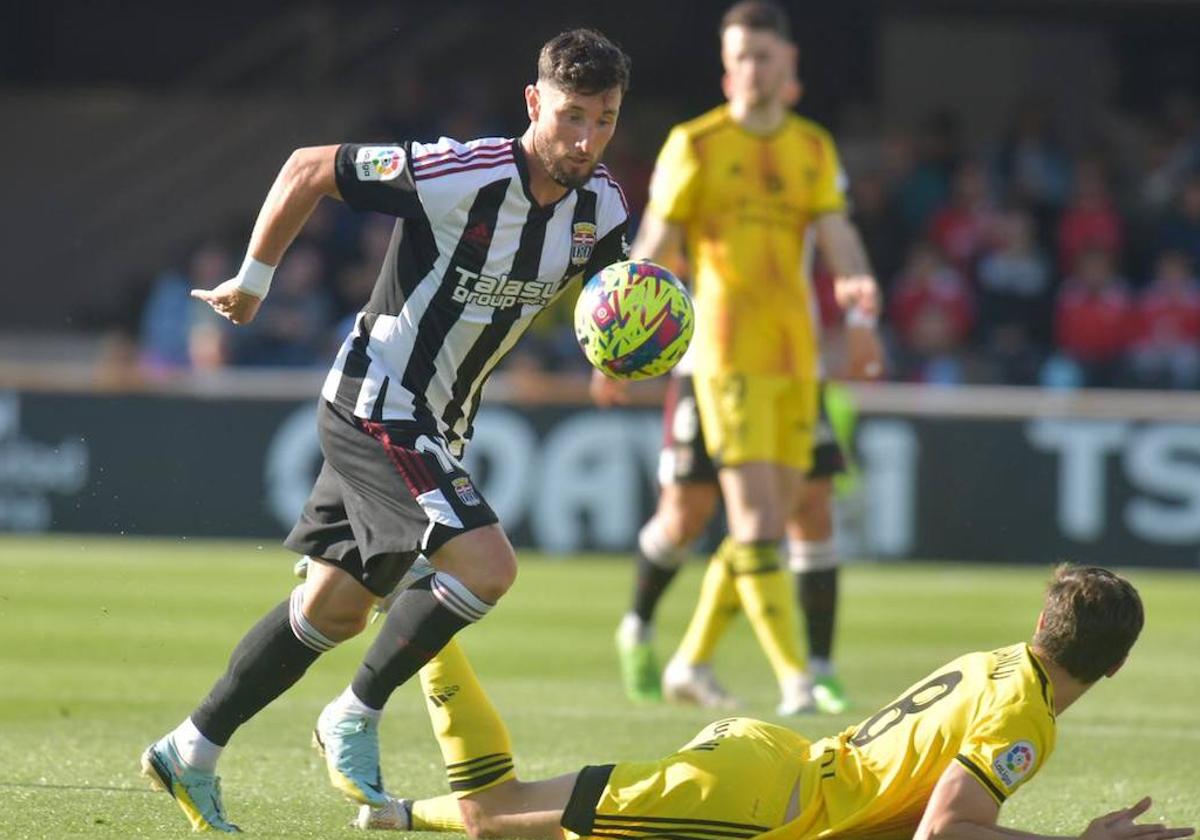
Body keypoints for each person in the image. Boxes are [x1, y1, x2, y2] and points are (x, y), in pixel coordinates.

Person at [139, 29, 632, 833]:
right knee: (487, 566)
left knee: (333, 611)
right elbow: (309, 166)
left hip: (440, 425)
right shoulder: (460, 171)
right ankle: (355, 715)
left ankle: (189, 749)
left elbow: (616, 299)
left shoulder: (602, 205)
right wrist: (254, 282)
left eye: (605, 120)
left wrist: (622, 353)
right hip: (376, 404)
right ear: (534, 103)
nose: (585, 140)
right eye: (572, 116)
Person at [357, 565, 1192, 840]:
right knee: (492, 814)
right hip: (756, 804)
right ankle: (424, 613)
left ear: (1041, 623)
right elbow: (944, 830)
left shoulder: (1002, 664)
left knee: (530, 826)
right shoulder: (1028, 720)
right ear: (1114, 668)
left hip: (768, 765)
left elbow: (908, 815)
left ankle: (392, 815)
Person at [594, 0, 880, 716]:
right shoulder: (696, 143)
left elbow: (838, 234)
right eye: (740, 58)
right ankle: (799, 681)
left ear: (790, 67)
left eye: (764, 56)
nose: (752, 69)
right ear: (726, 71)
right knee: (741, 523)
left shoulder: (812, 148)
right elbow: (656, 244)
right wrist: (617, 343)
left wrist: (859, 301)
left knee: (787, 518)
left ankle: (692, 661)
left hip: (798, 359)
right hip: (724, 356)